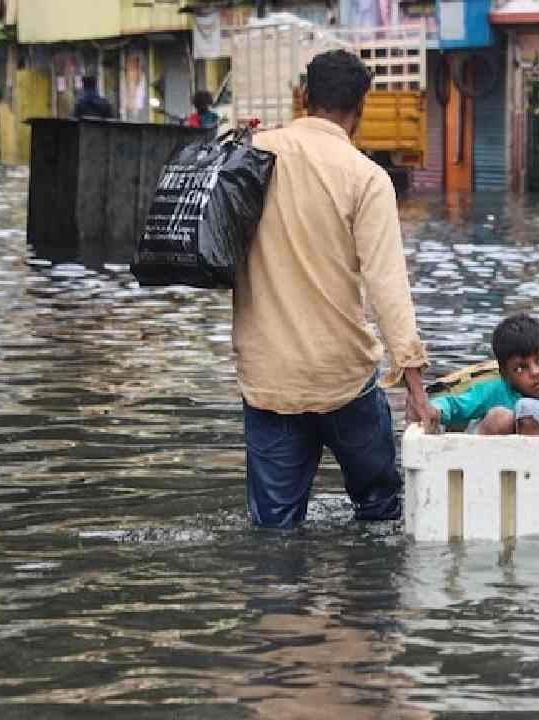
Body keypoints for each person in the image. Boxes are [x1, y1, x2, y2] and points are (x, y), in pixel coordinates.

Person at [235, 49, 432, 529]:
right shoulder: (366, 178)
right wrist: (415, 387)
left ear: (303, 97)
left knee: (274, 534)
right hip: (343, 377)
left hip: (269, 379)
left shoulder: (251, 156)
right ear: (360, 109)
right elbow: (388, 288)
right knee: (382, 515)